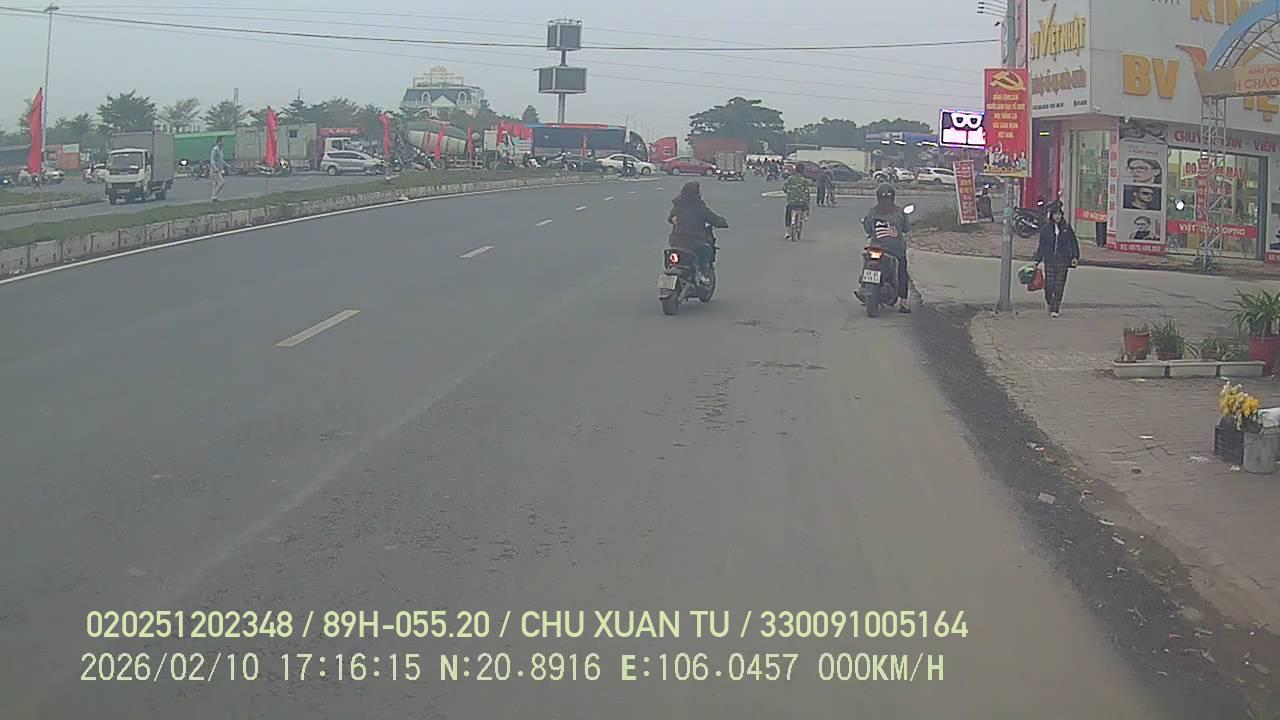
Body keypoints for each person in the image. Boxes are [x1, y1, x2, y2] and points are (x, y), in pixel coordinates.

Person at [861, 183, 913, 313]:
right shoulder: (900, 212)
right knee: (902, 271)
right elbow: (906, 228)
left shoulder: (872, 212)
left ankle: (863, 285)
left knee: (867, 260)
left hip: (876, 247)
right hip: (896, 249)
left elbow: (868, 228)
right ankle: (904, 302)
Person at [667, 181, 727, 284]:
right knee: (707, 251)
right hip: (694, 242)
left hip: (675, 241)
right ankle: (703, 275)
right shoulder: (700, 208)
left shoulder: (678, 206)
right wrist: (723, 222)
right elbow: (716, 220)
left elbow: (670, 218)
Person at [1033, 205, 1080, 317]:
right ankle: (1050, 302)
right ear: (1051, 216)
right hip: (1050, 259)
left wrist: (1075, 257)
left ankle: (1056, 308)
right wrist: (1037, 260)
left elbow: (1073, 242)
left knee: (1059, 285)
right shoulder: (1046, 229)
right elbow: (1042, 246)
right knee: (1049, 284)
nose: (1057, 217)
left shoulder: (1066, 228)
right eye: (1055, 214)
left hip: (1063, 259)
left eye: (1059, 214)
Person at [783, 172, 812, 239]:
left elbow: (784, 188)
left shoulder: (790, 179)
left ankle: (787, 231)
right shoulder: (803, 180)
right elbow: (807, 192)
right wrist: (807, 200)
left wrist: (789, 193)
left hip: (791, 202)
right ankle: (805, 216)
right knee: (805, 207)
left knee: (788, 214)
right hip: (801, 202)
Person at [210, 136, 228, 202]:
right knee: (222, 182)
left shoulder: (221, 149)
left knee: (214, 185)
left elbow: (221, 160)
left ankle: (213, 199)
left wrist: (227, 165)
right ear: (219, 142)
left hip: (219, 169)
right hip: (215, 170)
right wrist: (215, 168)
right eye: (222, 141)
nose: (224, 142)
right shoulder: (215, 149)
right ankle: (213, 197)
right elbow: (212, 160)